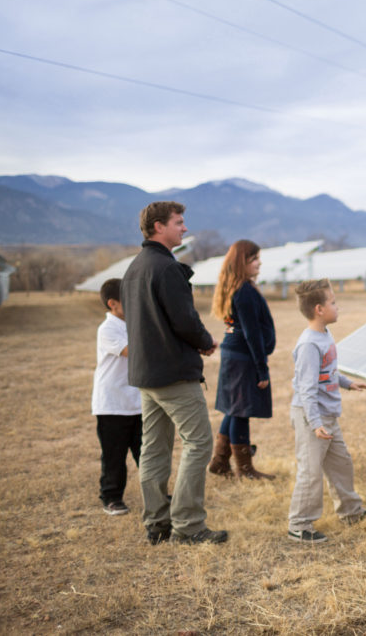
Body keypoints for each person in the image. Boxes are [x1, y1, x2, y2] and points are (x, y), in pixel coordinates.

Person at [121, 200, 228, 545]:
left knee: (153, 448)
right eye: (179, 222)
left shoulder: (134, 268)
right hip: (172, 373)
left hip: (146, 374)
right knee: (199, 443)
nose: (184, 228)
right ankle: (189, 525)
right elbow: (184, 320)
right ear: (158, 227)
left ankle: (157, 523)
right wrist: (205, 341)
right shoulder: (166, 268)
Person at [287, 279, 366, 543]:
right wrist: (315, 424)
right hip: (311, 418)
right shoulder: (308, 345)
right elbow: (306, 388)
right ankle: (299, 524)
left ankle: (351, 511)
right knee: (311, 471)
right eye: (333, 302)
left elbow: (326, 373)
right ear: (319, 309)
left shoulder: (324, 335)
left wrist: (347, 383)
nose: (337, 306)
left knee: (341, 464)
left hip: (327, 417)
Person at [208, 239, 276, 480]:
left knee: (234, 409)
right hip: (243, 358)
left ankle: (219, 462)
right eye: (254, 259)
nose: (259, 263)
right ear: (242, 263)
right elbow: (252, 333)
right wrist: (262, 369)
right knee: (240, 411)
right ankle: (245, 470)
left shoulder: (238, 286)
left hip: (235, 356)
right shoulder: (244, 291)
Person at [91, 277, 141, 516]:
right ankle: (111, 497)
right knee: (114, 454)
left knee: (146, 452)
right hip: (112, 403)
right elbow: (132, 352)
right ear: (113, 303)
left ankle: (156, 493)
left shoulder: (133, 322)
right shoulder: (108, 329)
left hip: (137, 400)